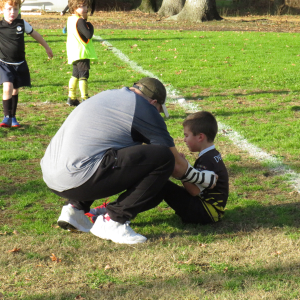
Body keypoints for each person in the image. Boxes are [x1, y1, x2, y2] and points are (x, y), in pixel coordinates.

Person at [40, 77, 218, 244]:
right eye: (159, 111)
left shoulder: (108, 95)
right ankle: (114, 219)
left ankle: (75, 210)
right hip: (78, 176)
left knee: (113, 148)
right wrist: (202, 178)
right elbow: (175, 166)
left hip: (52, 174)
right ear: (154, 103)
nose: (158, 115)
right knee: (162, 157)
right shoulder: (145, 109)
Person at [154, 111, 229, 224]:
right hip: (212, 211)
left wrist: (181, 171)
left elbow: (194, 191)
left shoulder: (206, 160)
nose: (184, 140)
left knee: (164, 185)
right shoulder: (213, 154)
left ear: (200, 137)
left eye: (186, 135)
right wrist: (185, 165)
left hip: (206, 213)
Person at [0, 0, 53, 128]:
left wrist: (47, 47)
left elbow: (36, 35)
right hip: (4, 63)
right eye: (9, 9)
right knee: (7, 88)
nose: (12, 12)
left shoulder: (22, 24)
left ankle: (13, 117)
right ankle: (6, 117)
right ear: (1, 9)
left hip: (19, 63)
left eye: (15, 9)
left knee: (15, 90)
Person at [65, 0, 97, 106]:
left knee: (75, 74)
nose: (85, 8)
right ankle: (85, 97)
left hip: (73, 51)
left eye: (85, 6)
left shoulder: (70, 19)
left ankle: (72, 97)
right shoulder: (80, 21)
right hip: (82, 52)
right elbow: (88, 35)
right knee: (84, 75)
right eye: (81, 6)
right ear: (74, 8)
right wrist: (91, 26)